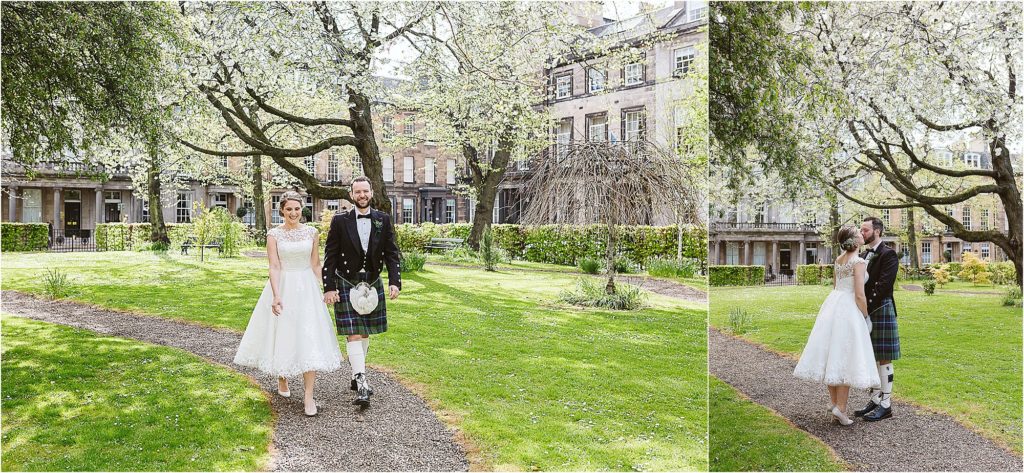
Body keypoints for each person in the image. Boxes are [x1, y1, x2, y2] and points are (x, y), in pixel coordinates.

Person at [234, 191, 342, 417]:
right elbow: (274, 266)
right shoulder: (274, 234)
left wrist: (325, 288)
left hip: (307, 288)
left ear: (302, 209)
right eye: (289, 209)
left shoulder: (312, 233)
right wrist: (276, 295)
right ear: (281, 210)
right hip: (283, 285)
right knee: (283, 332)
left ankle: (308, 396)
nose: (293, 213)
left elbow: (315, 264)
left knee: (309, 336)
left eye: (297, 208)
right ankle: (282, 377)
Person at [322, 176, 402, 406]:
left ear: (371, 193)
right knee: (353, 333)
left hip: (372, 281)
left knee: (364, 332)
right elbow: (330, 256)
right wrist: (329, 287)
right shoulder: (340, 221)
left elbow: (391, 253)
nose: (362, 195)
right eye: (357, 192)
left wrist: (395, 281)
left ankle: (357, 375)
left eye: (365, 191)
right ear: (351, 195)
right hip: (347, 282)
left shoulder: (382, 219)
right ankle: (362, 382)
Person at [793, 225, 880, 425]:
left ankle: (834, 404)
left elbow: (835, 286)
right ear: (855, 241)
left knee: (833, 354)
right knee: (845, 356)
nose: (862, 234)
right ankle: (841, 409)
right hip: (848, 308)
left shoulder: (839, 260)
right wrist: (865, 316)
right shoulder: (858, 262)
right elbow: (859, 294)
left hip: (833, 305)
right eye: (859, 233)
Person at [854, 216, 901, 421]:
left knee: (884, 356)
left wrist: (866, 308)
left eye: (865, 230)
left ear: (877, 231)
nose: (861, 233)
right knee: (870, 356)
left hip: (880, 308)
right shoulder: (863, 254)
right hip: (865, 309)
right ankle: (874, 399)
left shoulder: (889, 254)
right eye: (861, 230)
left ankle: (886, 403)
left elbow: (883, 286)